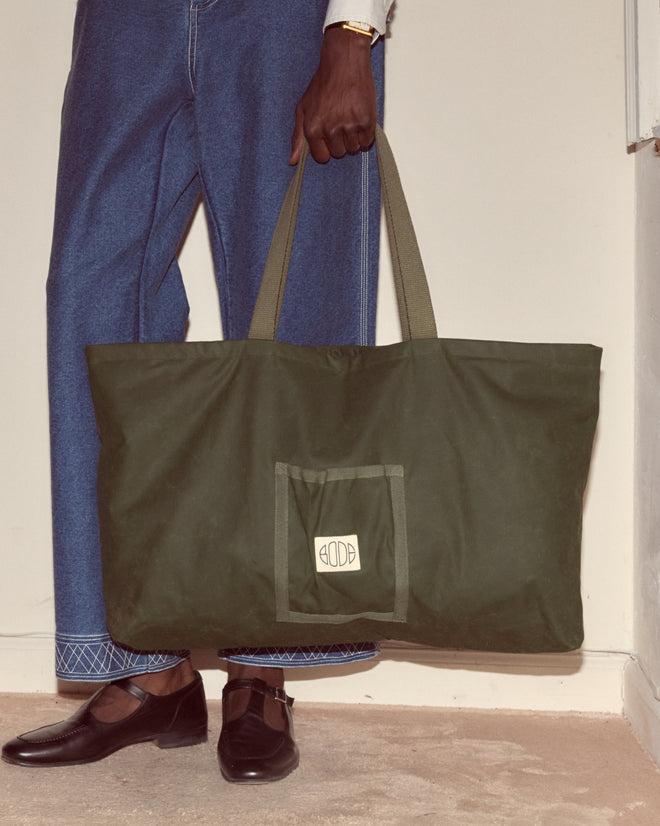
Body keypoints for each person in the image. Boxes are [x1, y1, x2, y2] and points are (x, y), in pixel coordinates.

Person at [2, 0, 392, 784]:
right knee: (92, 304)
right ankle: (150, 672)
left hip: (285, 20)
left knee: (294, 321)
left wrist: (353, 27)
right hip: (126, 19)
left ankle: (262, 674)